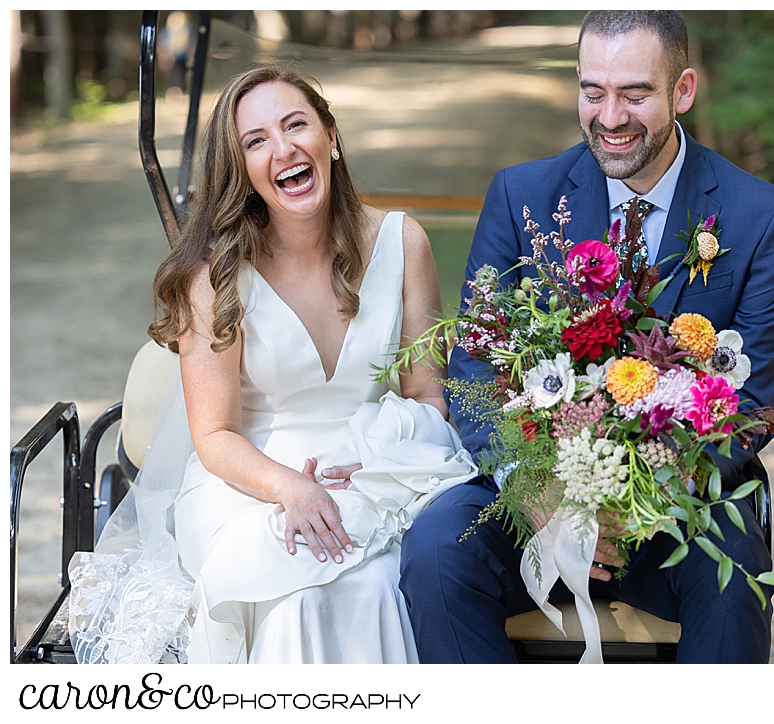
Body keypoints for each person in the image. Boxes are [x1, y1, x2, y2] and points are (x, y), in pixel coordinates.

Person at [399, 10, 774, 664]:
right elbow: (473, 368)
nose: (610, 116)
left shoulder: (760, 217)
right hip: (535, 485)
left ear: (684, 90)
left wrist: (634, 501)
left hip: (679, 502)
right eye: (593, 91)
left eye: (635, 94)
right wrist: (533, 490)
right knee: (436, 551)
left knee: (733, 582)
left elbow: (746, 401)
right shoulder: (521, 196)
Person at [67, 64, 477, 664]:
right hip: (249, 482)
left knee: (376, 583)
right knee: (299, 592)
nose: (282, 149)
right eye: (256, 142)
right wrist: (291, 488)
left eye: (295, 126)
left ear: (330, 137)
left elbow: (429, 396)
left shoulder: (402, 243)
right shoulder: (213, 275)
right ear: (243, 170)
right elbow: (213, 435)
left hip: (375, 469)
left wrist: (383, 452)